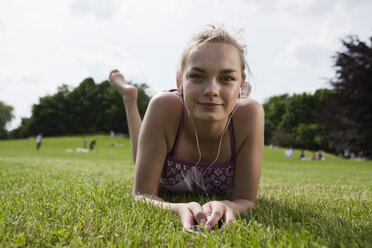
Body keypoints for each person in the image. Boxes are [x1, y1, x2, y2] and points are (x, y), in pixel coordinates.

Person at [109, 25, 264, 232]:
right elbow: (142, 195)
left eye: (227, 78)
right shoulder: (164, 106)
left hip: (239, 106)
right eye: (197, 76)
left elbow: (246, 199)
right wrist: (176, 208)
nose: (211, 90)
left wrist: (229, 206)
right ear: (180, 80)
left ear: (241, 83)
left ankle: (236, 95)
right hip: (170, 118)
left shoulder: (250, 114)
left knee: (243, 106)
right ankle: (130, 99)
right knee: (140, 157)